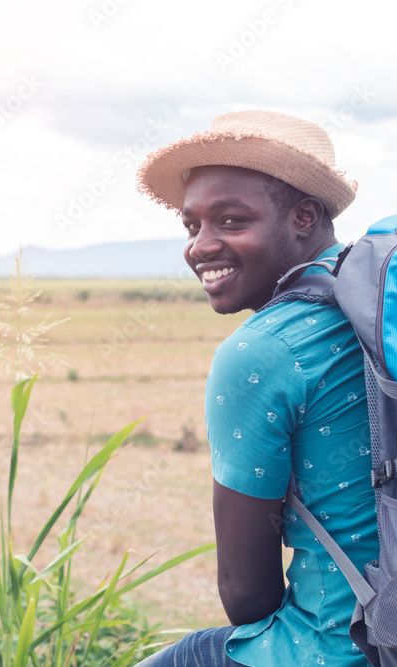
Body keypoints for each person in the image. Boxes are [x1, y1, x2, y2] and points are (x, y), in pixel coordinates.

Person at [132, 110, 379, 666]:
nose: (200, 246)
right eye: (191, 225)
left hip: (347, 645)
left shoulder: (262, 350)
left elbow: (247, 596)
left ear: (304, 217)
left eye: (231, 221)